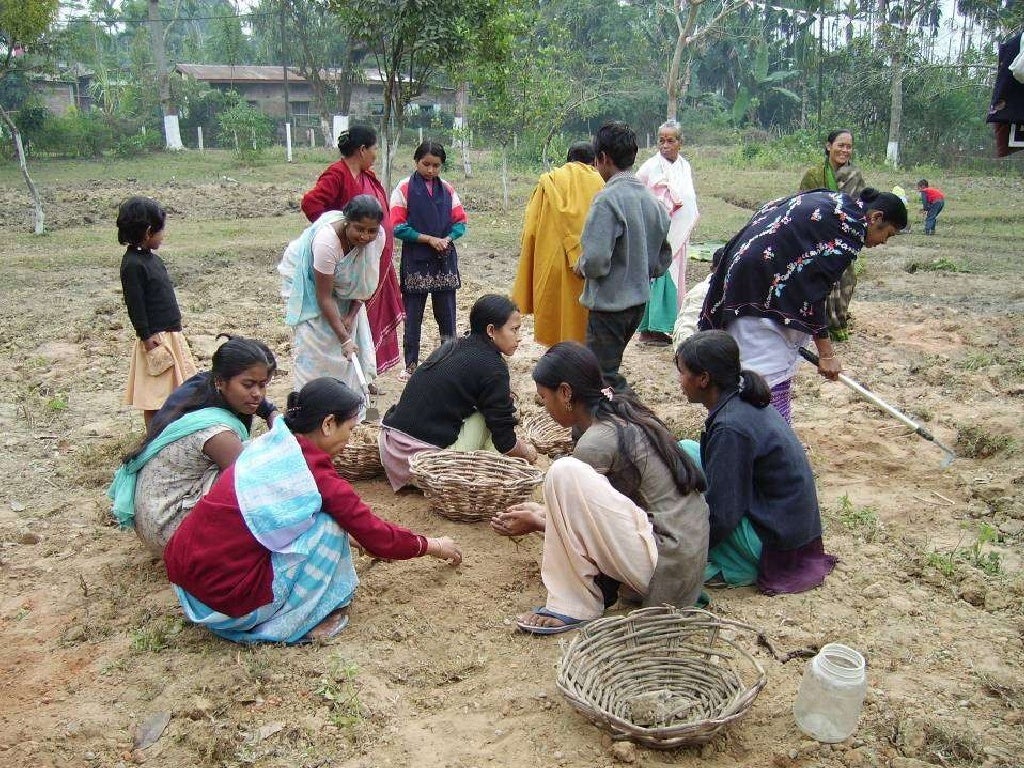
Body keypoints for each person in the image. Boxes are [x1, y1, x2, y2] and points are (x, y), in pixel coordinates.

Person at [163, 377, 462, 644]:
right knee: (331, 527)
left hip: (193, 590)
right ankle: (302, 620)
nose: (350, 440)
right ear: (328, 423)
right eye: (350, 429)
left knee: (329, 519)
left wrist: (356, 537)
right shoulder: (315, 475)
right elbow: (376, 534)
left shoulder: (270, 443)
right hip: (227, 605)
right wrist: (433, 545)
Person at [490, 342, 709, 635]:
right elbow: (606, 512)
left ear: (566, 393)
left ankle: (573, 605)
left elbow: (583, 520)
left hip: (666, 569)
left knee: (563, 472)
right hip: (683, 562)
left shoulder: (598, 440)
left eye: (544, 398)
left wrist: (540, 520)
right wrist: (543, 515)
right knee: (564, 477)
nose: (545, 407)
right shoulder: (623, 412)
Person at [698, 188, 907, 423]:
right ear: (876, 217)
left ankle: (757, 431)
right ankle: (758, 436)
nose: (882, 242)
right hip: (758, 288)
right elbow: (814, 293)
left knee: (755, 365)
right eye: (887, 235)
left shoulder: (838, 203)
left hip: (751, 280)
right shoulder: (849, 228)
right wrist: (826, 355)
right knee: (763, 373)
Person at [676, 330, 836, 594]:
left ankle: (742, 565)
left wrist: (683, 548)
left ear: (703, 379)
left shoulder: (731, 427)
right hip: (786, 520)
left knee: (684, 540)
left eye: (683, 372)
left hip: (774, 542)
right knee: (683, 451)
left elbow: (722, 515)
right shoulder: (740, 400)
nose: (680, 381)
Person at [108, 336, 278, 555]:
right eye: (248, 385)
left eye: (263, 385)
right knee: (257, 469)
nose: (257, 394)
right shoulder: (216, 432)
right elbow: (253, 483)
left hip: (154, 517)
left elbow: (256, 398)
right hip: (172, 534)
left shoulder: (202, 389)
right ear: (220, 381)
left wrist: (272, 413)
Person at [378, 294, 538, 490]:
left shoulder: (452, 346)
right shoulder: (493, 367)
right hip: (426, 465)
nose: (519, 337)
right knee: (485, 419)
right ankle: (494, 472)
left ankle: (494, 466)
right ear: (491, 331)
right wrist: (528, 454)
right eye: (514, 330)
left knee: (487, 413)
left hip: (391, 451)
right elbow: (505, 440)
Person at [576, 121, 672, 393]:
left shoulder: (608, 200)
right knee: (608, 369)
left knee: (598, 378)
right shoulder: (653, 202)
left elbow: (594, 261)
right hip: (637, 303)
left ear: (603, 158)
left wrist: (581, 267)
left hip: (610, 306)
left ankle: (622, 423)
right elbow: (662, 261)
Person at [301, 125, 404, 377]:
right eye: (374, 148)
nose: (375, 154)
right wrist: (335, 233)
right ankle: (342, 375)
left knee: (362, 318)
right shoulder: (337, 174)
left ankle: (364, 373)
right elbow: (311, 203)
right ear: (362, 149)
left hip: (368, 261)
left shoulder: (366, 175)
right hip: (344, 264)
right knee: (342, 320)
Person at [278, 195, 385, 401]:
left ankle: (345, 402)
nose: (365, 236)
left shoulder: (377, 238)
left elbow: (364, 284)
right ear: (347, 222)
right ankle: (310, 401)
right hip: (308, 279)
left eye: (371, 230)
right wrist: (344, 339)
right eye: (359, 229)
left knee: (346, 334)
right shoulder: (327, 243)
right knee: (315, 338)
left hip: (343, 285)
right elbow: (324, 297)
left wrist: (351, 316)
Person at [511, 141, 604, 347]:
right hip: (586, 263)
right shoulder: (599, 180)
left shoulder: (549, 181)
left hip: (550, 260)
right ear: (595, 161)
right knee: (581, 318)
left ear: (568, 160)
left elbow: (531, 229)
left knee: (555, 314)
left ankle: (558, 354)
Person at [117, 196, 198, 430]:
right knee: (155, 396)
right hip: (155, 339)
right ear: (148, 231)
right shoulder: (132, 265)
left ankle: (171, 434)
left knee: (175, 391)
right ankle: (153, 438)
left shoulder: (153, 260)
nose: (164, 236)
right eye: (161, 231)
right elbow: (135, 303)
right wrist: (145, 336)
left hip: (171, 335)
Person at [390, 141, 468, 379]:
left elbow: (461, 222)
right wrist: (428, 239)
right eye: (426, 164)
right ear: (416, 162)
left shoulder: (448, 189)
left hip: (444, 259)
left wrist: (447, 238)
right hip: (416, 260)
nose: (431, 170)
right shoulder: (403, 188)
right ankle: (410, 364)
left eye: (436, 165)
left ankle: (449, 359)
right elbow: (398, 227)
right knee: (413, 315)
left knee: (447, 312)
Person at [798, 129, 867, 341]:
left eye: (848, 146)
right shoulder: (814, 175)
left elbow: (860, 208)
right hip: (817, 238)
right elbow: (803, 204)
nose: (844, 150)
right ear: (829, 146)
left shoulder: (855, 176)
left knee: (845, 280)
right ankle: (817, 327)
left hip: (843, 239)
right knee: (818, 282)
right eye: (840, 145)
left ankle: (837, 325)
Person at [635, 119, 700, 346]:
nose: (665, 145)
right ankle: (650, 329)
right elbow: (639, 193)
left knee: (675, 277)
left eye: (670, 141)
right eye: (661, 141)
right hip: (658, 237)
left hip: (679, 236)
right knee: (658, 276)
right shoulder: (650, 167)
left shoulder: (685, 166)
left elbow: (687, 199)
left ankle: (667, 326)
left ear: (680, 143)